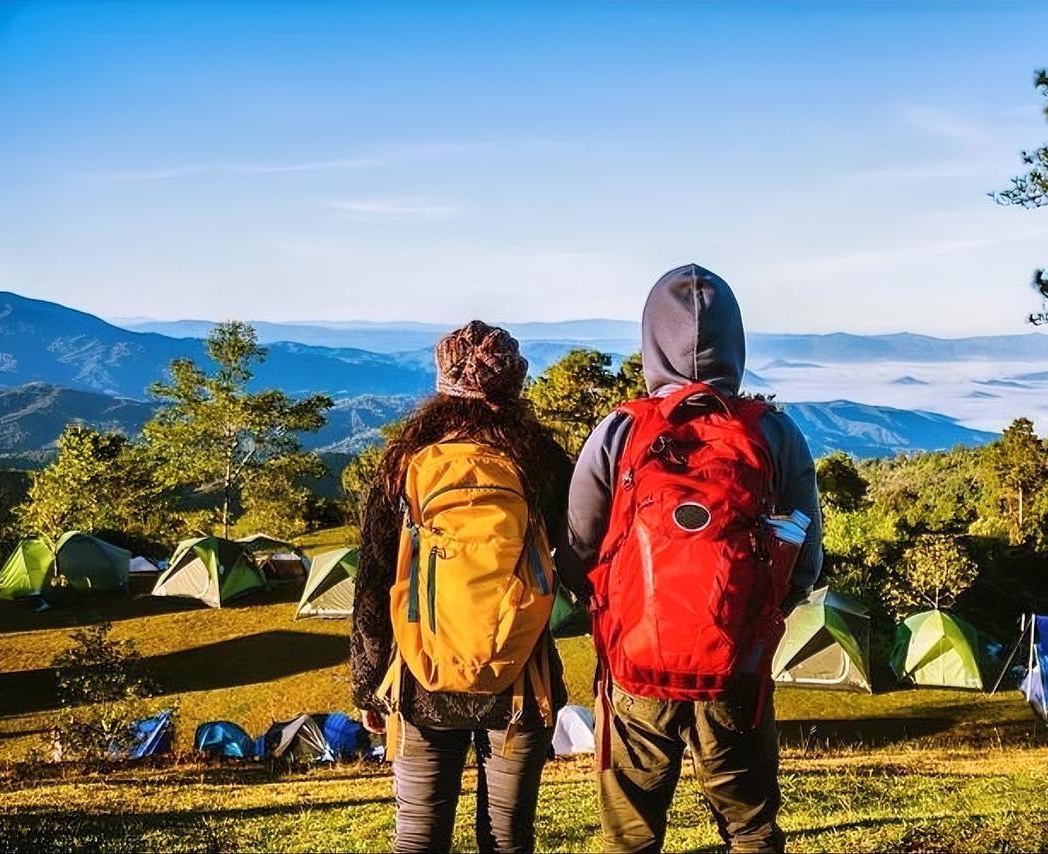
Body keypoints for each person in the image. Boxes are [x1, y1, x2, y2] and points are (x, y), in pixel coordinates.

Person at [568, 264, 823, 854]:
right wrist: (752, 611)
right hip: (736, 663)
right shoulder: (774, 433)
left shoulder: (619, 431)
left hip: (637, 665)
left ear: (651, 338)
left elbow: (581, 547)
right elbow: (803, 559)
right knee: (750, 827)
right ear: (736, 340)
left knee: (631, 833)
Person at [351, 320, 575, 854]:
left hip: (420, 680)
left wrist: (367, 684)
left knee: (419, 836)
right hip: (520, 678)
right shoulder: (541, 461)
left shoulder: (404, 463)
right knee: (506, 836)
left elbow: (375, 582)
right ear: (515, 387)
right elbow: (581, 559)